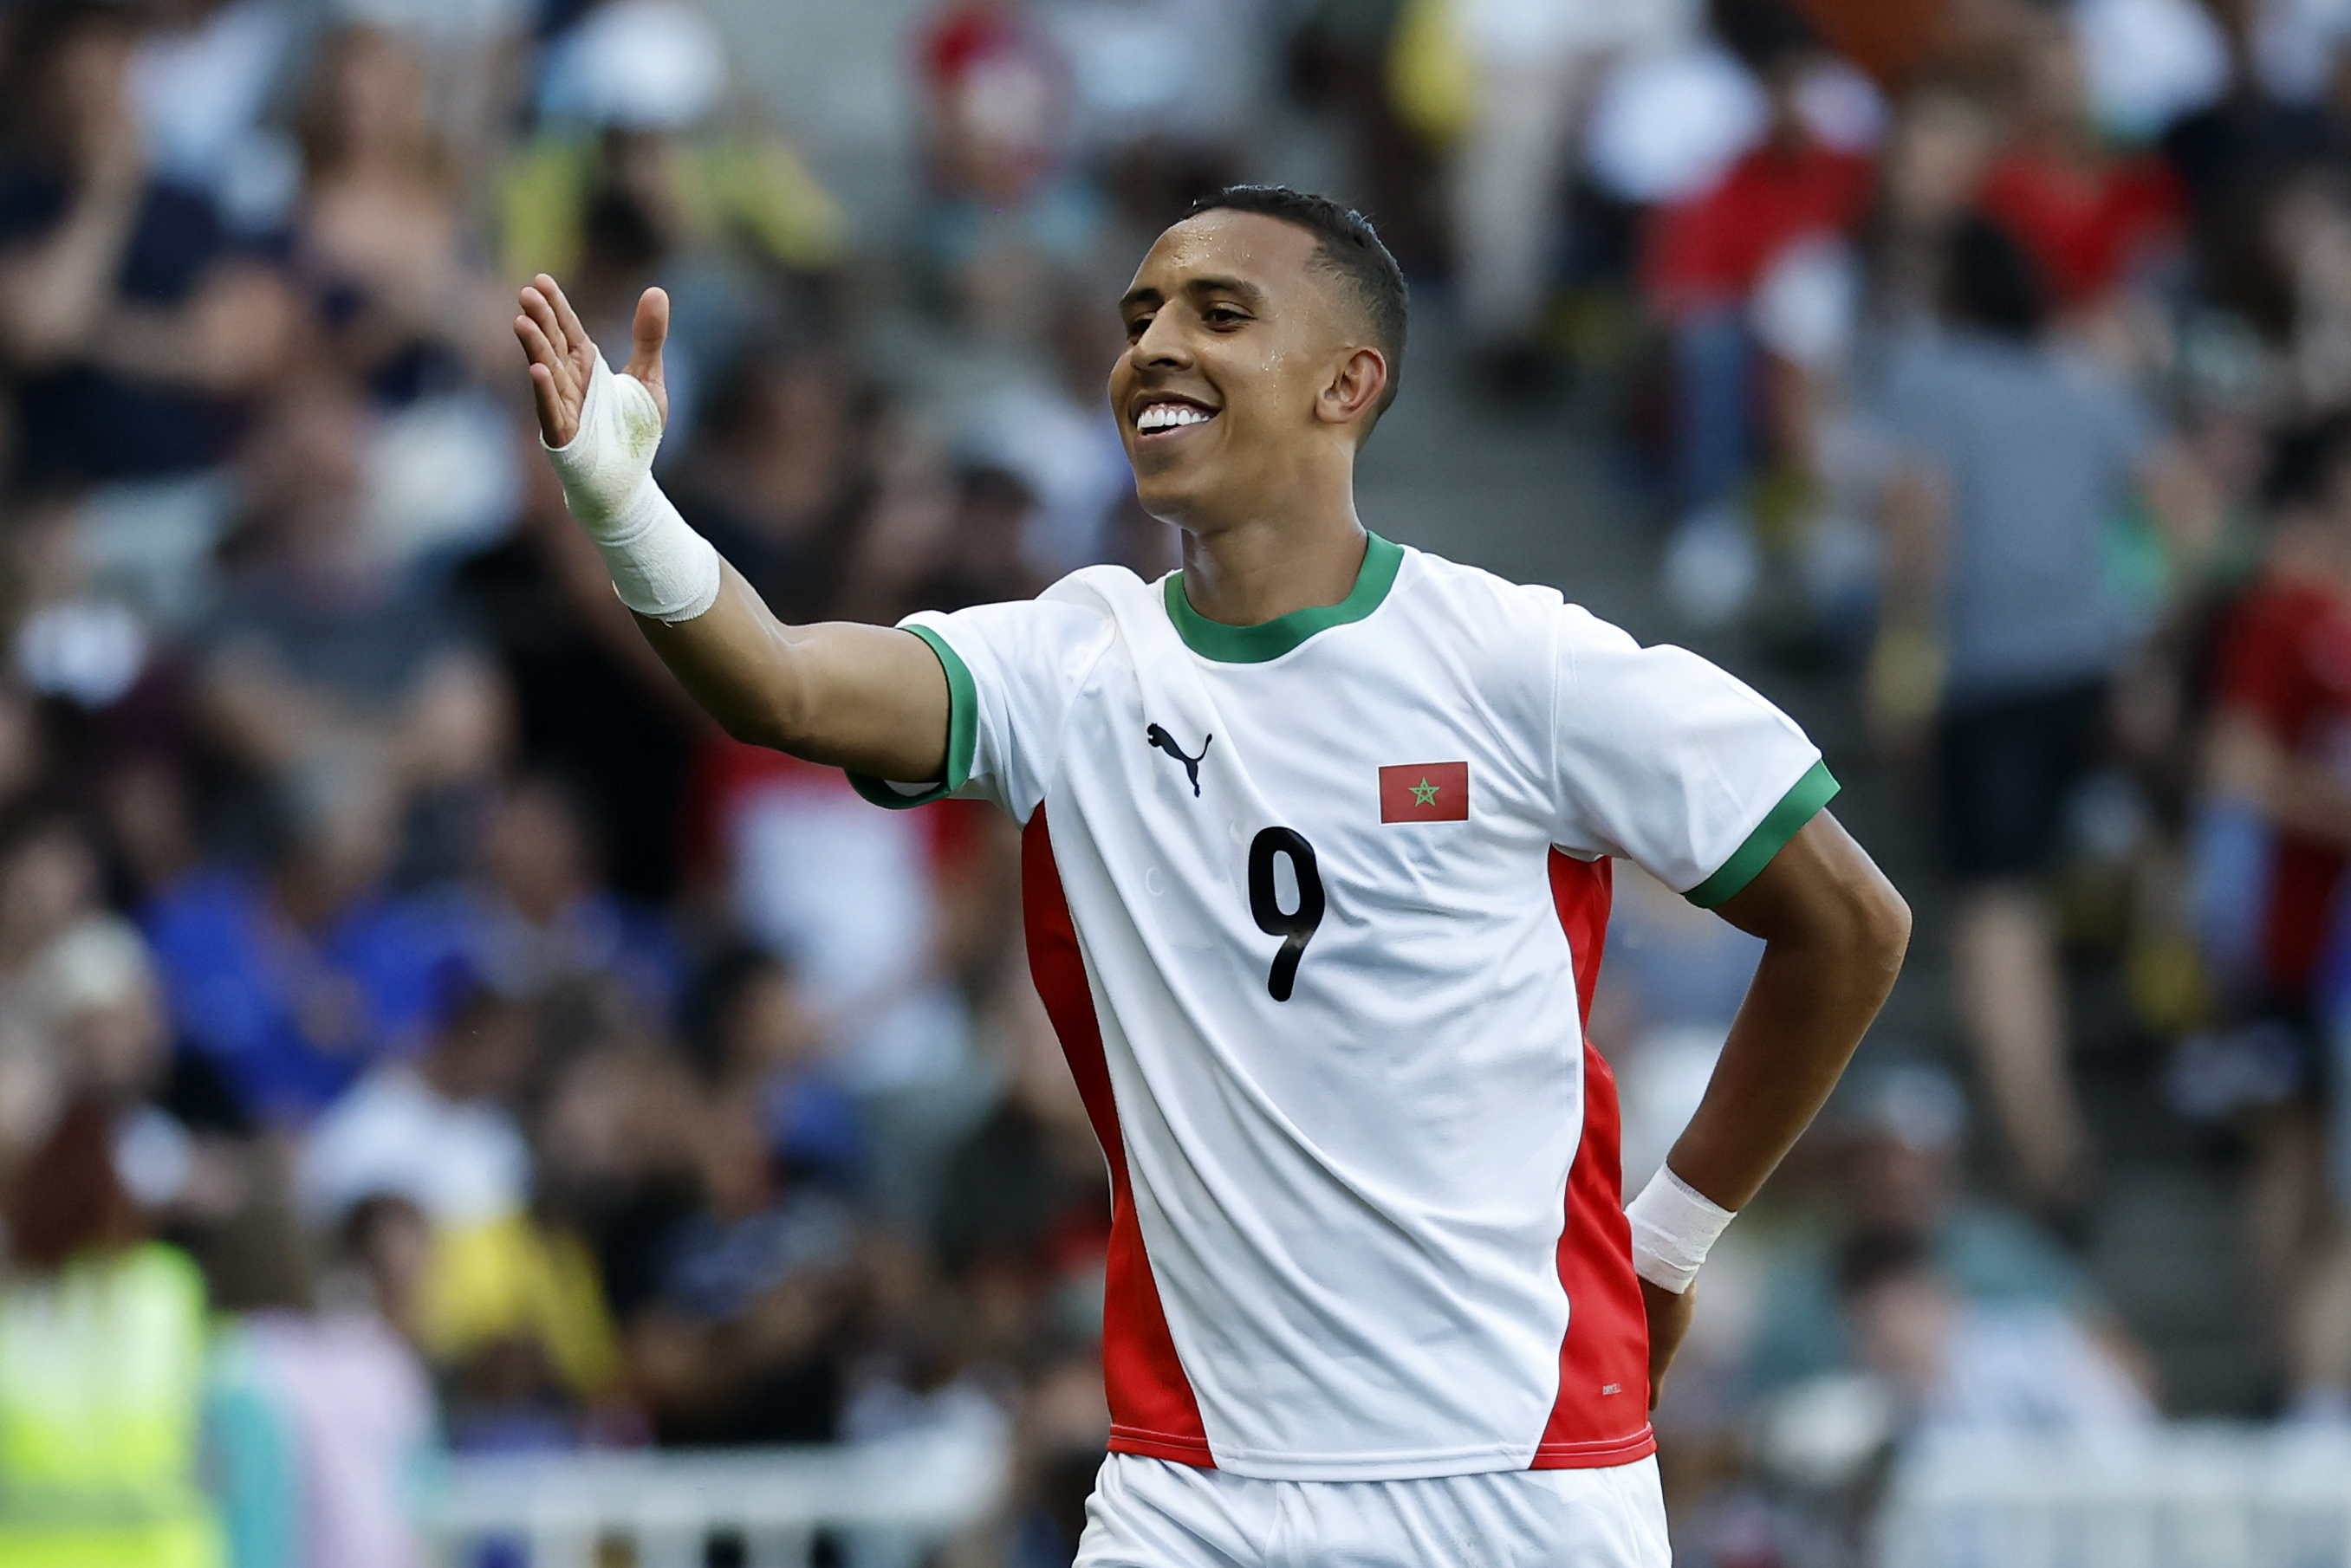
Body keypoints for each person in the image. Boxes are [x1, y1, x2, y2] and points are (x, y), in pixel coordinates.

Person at [512, 184, 1909, 1563]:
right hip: (1196, 1489)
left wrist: (1667, 1240)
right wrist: (627, 507)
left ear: (1347, 382)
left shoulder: (1520, 665)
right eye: (1140, 316)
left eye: (1219, 313)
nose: (1154, 346)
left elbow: (1848, 923)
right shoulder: (1068, 664)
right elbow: (784, 686)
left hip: (1514, 1475)